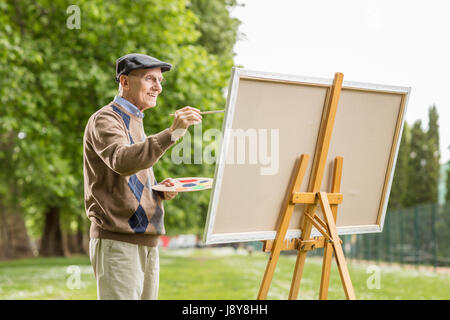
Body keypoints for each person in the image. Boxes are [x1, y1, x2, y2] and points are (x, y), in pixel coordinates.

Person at [83, 53, 202, 300]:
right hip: (119, 242)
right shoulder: (106, 118)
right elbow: (122, 161)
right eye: (150, 79)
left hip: (146, 242)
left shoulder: (136, 120)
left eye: (159, 80)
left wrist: (157, 189)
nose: (158, 87)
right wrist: (172, 134)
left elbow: (131, 173)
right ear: (125, 82)